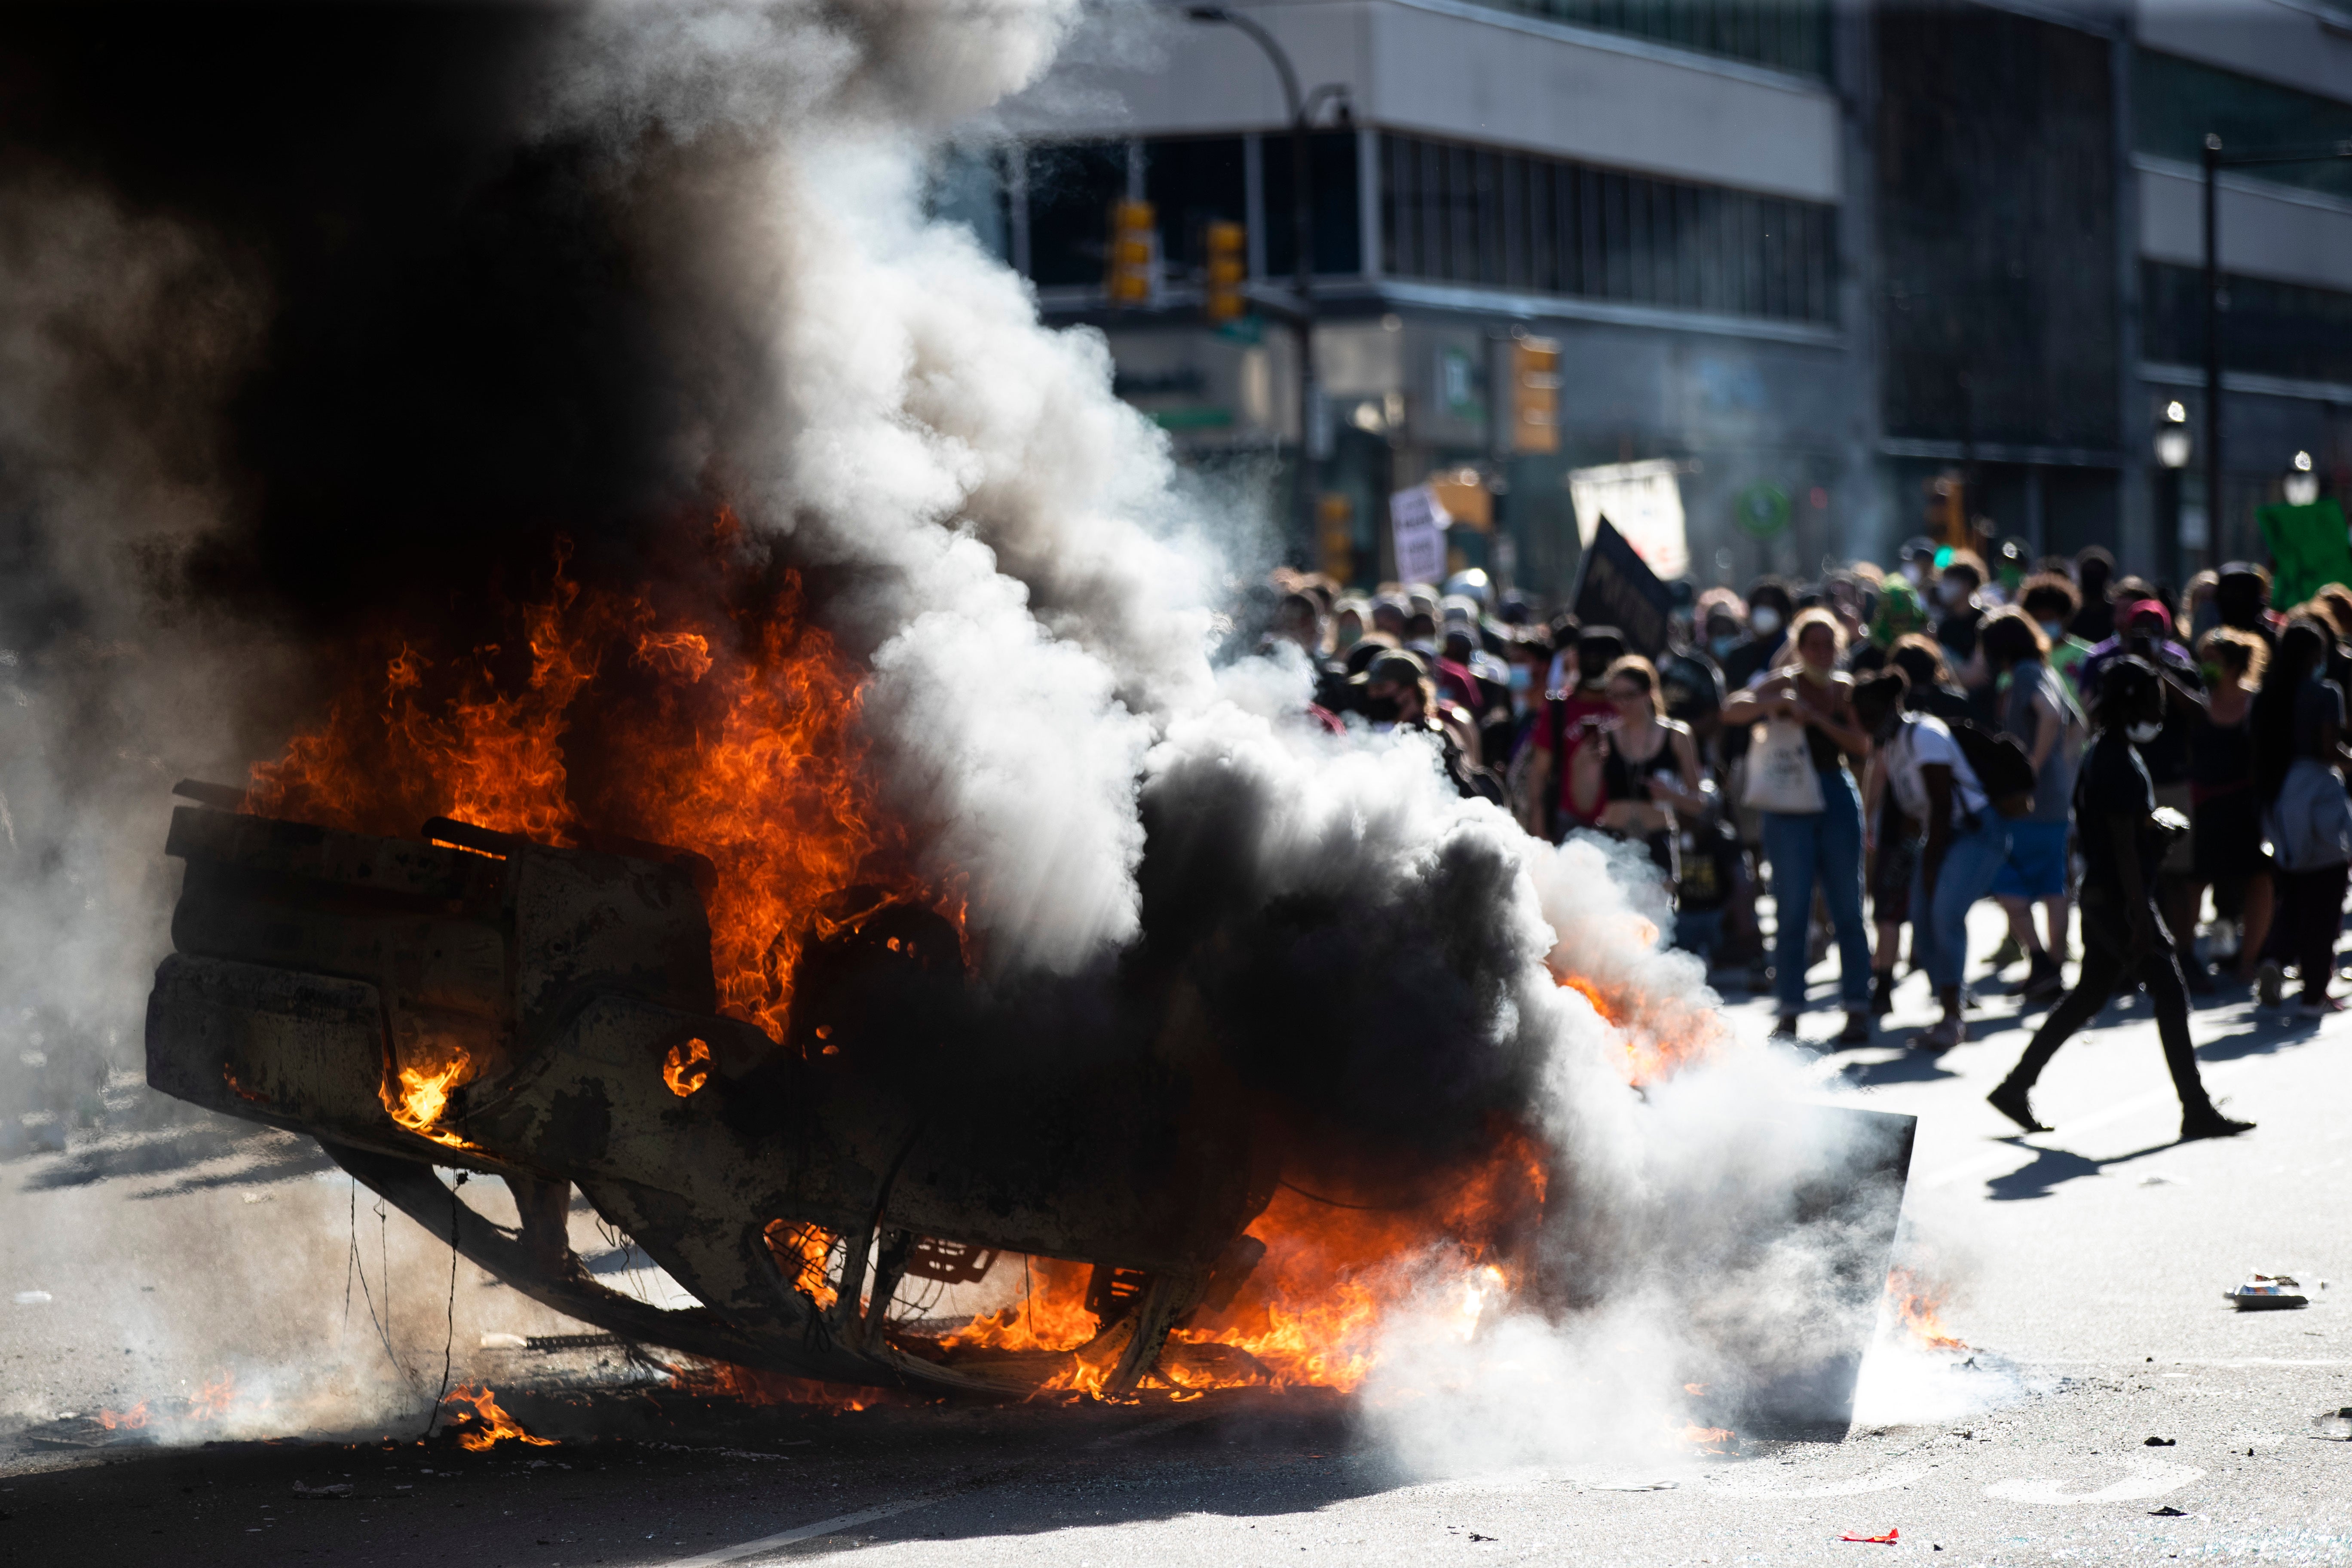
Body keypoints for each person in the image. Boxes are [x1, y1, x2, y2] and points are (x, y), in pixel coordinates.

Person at [1987, 658, 2254, 1141]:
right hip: (2118, 898)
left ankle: (2015, 1085)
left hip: (2105, 896)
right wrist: (2140, 920)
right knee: (2170, 992)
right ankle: (2195, 1108)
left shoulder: (2107, 752)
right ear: (2131, 701)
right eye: (2152, 699)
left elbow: (2126, 832)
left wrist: (2154, 831)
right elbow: (2122, 846)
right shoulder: (2115, 759)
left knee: (2090, 994)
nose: (2159, 710)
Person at [1722, 608, 1875, 1043]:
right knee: (1792, 910)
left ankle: (1857, 1007)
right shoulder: (1783, 682)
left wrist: (1816, 718)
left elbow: (1862, 745)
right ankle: (1789, 1009)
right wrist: (1774, 705)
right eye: (1813, 645)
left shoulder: (1845, 690)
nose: (1822, 653)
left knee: (1848, 907)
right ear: (1799, 646)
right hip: (1788, 799)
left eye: (1829, 645)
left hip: (1834, 794)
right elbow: (1732, 710)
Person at [1851, 667, 2010, 1049]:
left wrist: (1931, 866)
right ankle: (1948, 1006)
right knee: (1921, 920)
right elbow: (1912, 811)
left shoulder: (1924, 735)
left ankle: (1953, 1017)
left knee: (1944, 913)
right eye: (1863, 718)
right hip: (1938, 837)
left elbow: (1941, 805)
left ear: (1892, 708)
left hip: (1974, 831)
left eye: (1873, 716)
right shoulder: (1892, 746)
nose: (1868, 725)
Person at [1983, 609, 2080, 1004]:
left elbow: (2051, 716)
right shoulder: (2048, 671)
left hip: (2029, 798)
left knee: (2007, 877)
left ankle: (2041, 960)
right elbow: (2078, 726)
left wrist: (2032, 768)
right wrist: (2063, 771)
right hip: (2055, 797)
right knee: (2052, 880)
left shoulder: (2024, 675)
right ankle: (2052, 971)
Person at [1567, 655, 1711, 884]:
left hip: (1657, 839)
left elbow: (1699, 803)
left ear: (1649, 692)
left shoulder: (1677, 736)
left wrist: (1670, 795)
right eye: (1614, 696)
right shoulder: (1605, 736)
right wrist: (1581, 765)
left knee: (1656, 917)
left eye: (1629, 695)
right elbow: (1584, 804)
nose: (1621, 704)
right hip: (1613, 840)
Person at [2183, 628, 2274, 989]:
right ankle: (2186, 958)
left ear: (2236, 665)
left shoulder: (2257, 705)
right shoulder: (2198, 705)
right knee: (2194, 883)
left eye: (2214, 661)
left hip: (2246, 809)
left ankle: (2249, 962)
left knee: (2259, 881)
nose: (2206, 667)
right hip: (2205, 808)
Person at [2264, 664, 2352, 1015]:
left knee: (2295, 899)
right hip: (2319, 803)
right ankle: (2314, 994)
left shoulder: (2272, 695)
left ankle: (2274, 956)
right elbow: (2329, 748)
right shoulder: (2325, 693)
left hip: (2283, 801)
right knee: (2325, 911)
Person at [1519, 626, 1626, 841]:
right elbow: (1539, 773)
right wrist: (1539, 831)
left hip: (1622, 822)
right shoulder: (1559, 708)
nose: (1596, 664)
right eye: (1591, 658)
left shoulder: (1630, 704)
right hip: (1569, 822)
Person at [2016, 572, 2094, 704]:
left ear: (2065, 617)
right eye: (2038, 618)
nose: (2044, 622)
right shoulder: (2020, 657)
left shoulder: (2088, 655)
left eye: (2050, 617)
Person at [1720, 578, 1794, 690]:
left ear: (1784, 612)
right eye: (1759, 606)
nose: (1763, 613)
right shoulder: (1737, 656)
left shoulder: (1795, 651)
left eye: (1770, 606)